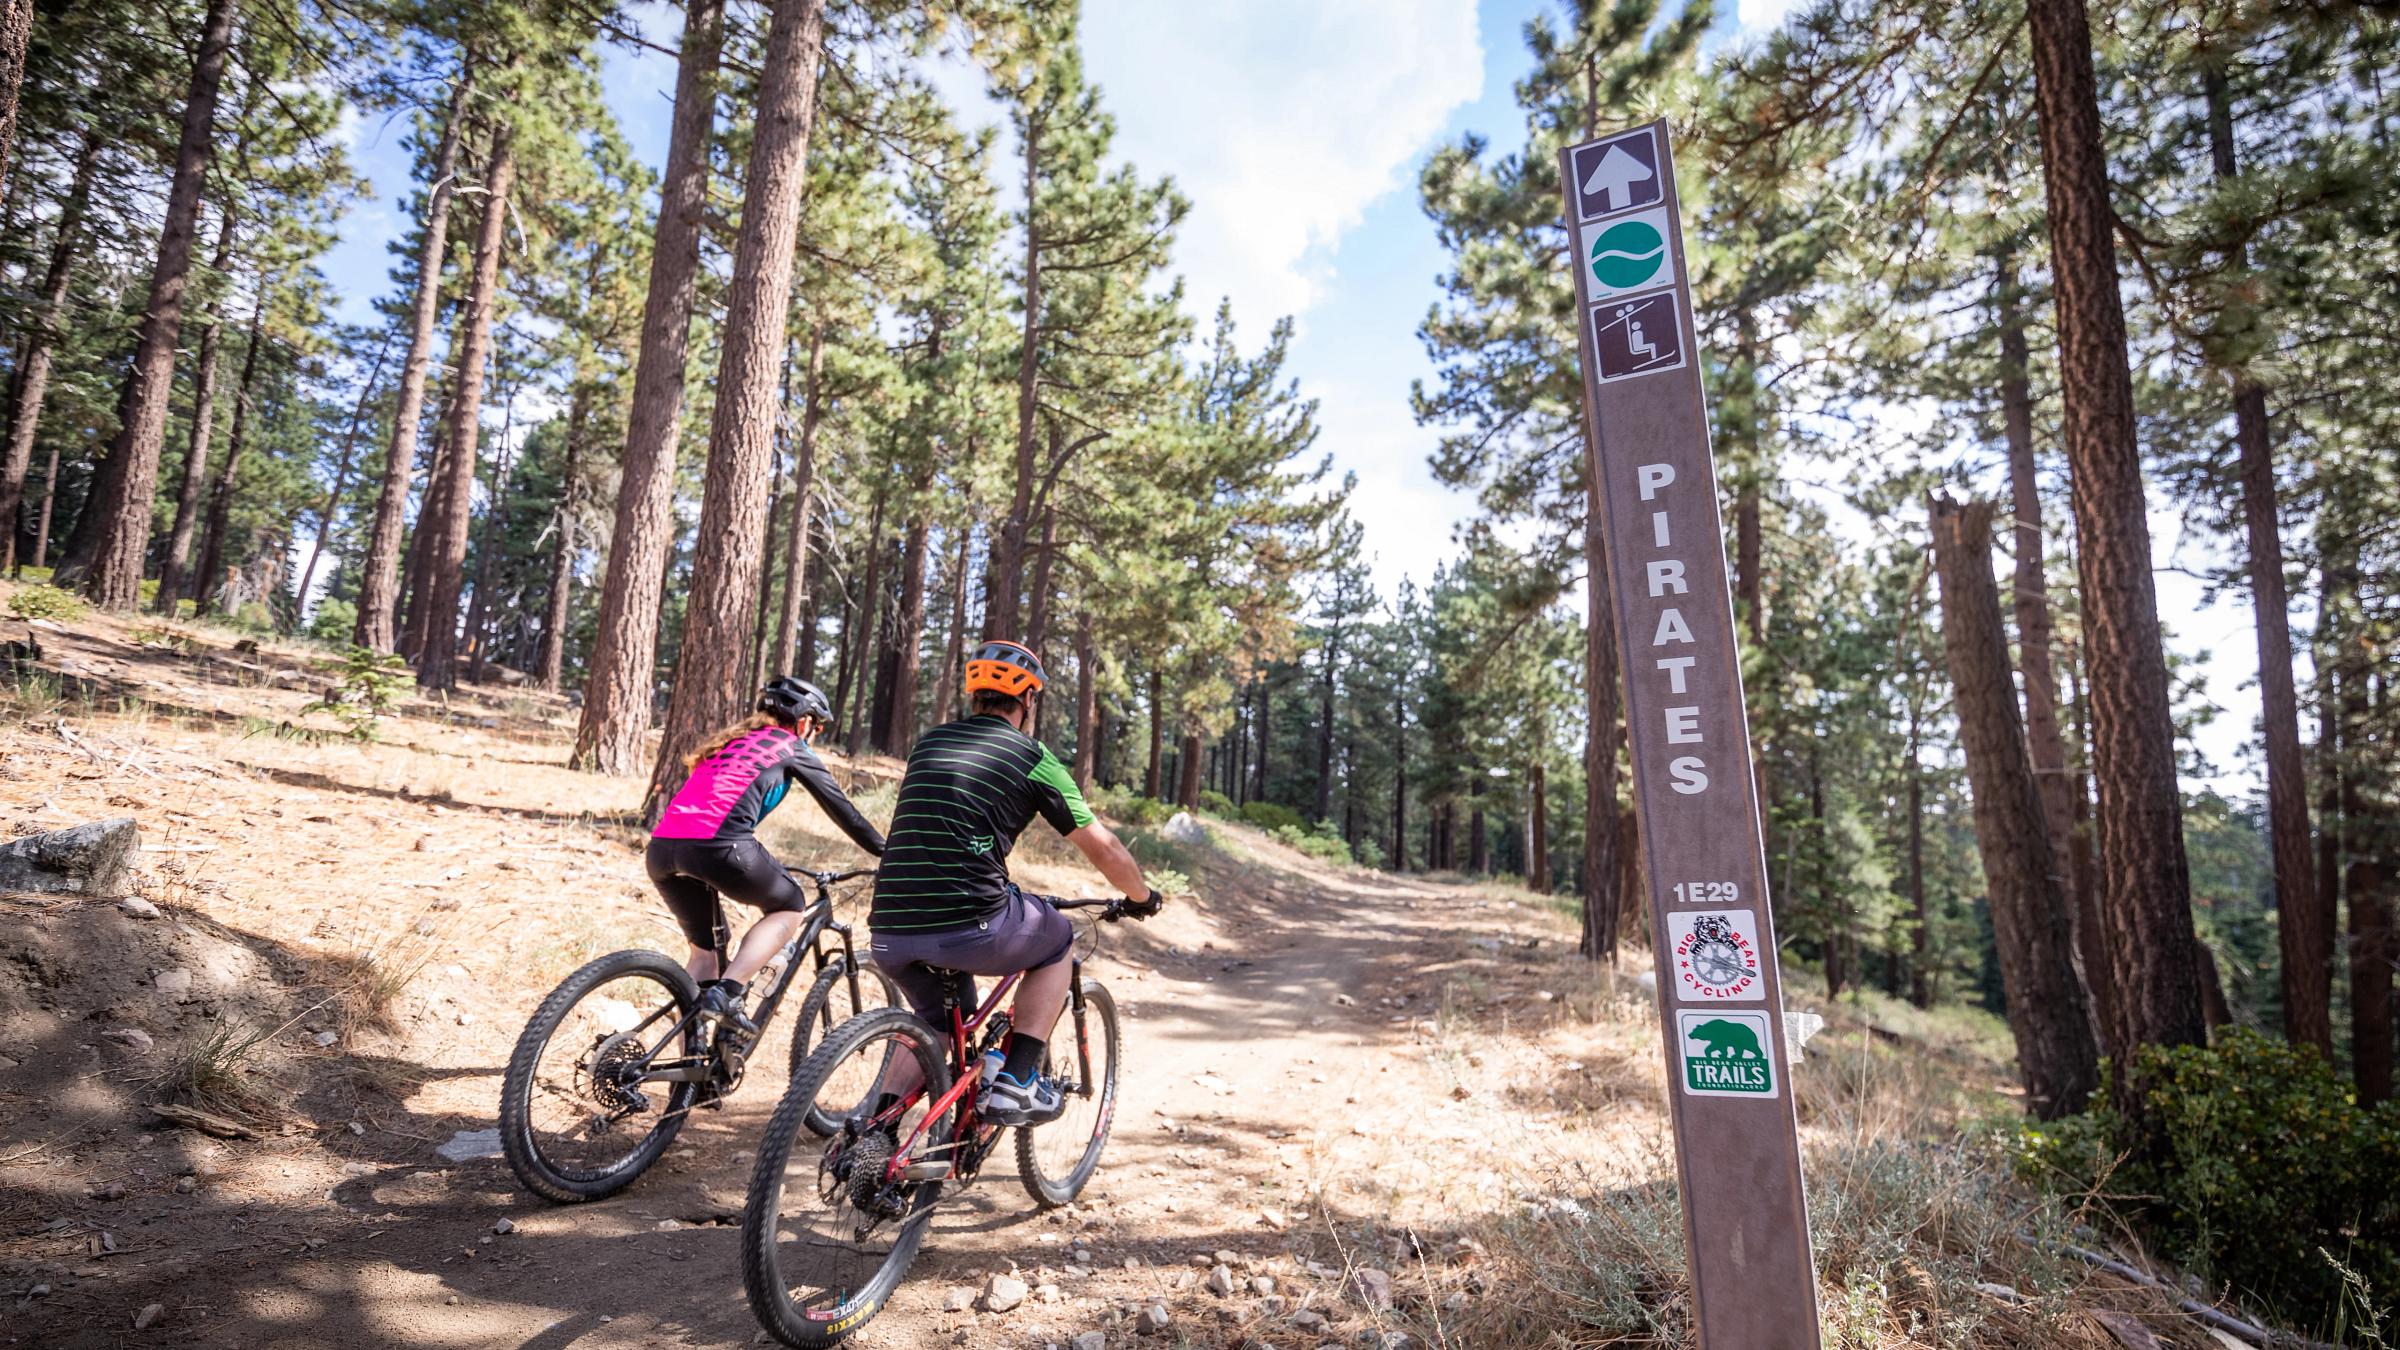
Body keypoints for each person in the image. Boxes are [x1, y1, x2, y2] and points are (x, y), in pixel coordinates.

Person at [867, 639, 1163, 1126]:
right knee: (1058, 939)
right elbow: (1103, 846)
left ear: (974, 696)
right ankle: (1018, 1078)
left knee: (938, 1023)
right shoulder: (1032, 756)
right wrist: (1142, 897)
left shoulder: (930, 742)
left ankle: (873, 1135)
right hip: (969, 923)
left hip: (889, 927)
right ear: (1028, 699)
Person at [647, 676, 885, 1039]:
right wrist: (887, 851)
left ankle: (691, 1077)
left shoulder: (729, 742)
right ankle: (729, 992)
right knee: (790, 904)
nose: (814, 734)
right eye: (816, 727)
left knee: (703, 959)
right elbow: (843, 810)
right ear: (804, 722)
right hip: (719, 847)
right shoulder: (791, 746)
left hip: (663, 848)